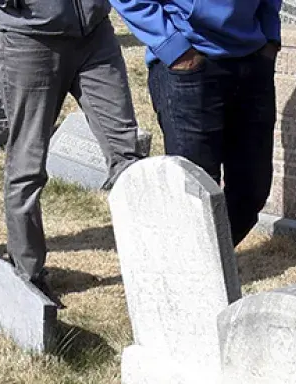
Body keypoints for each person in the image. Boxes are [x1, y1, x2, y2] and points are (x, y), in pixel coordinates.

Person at [0, 0, 144, 304]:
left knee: (128, 156)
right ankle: (28, 275)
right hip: (30, 38)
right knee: (28, 165)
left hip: (95, 34)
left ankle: (151, 268)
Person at [110, 0, 282, 246]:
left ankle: (204, 267)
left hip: (253, 60)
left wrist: (270, 36)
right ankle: (186, 274)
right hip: (188, 61)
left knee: (252, 191)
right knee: (194, 195)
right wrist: (175, 49)